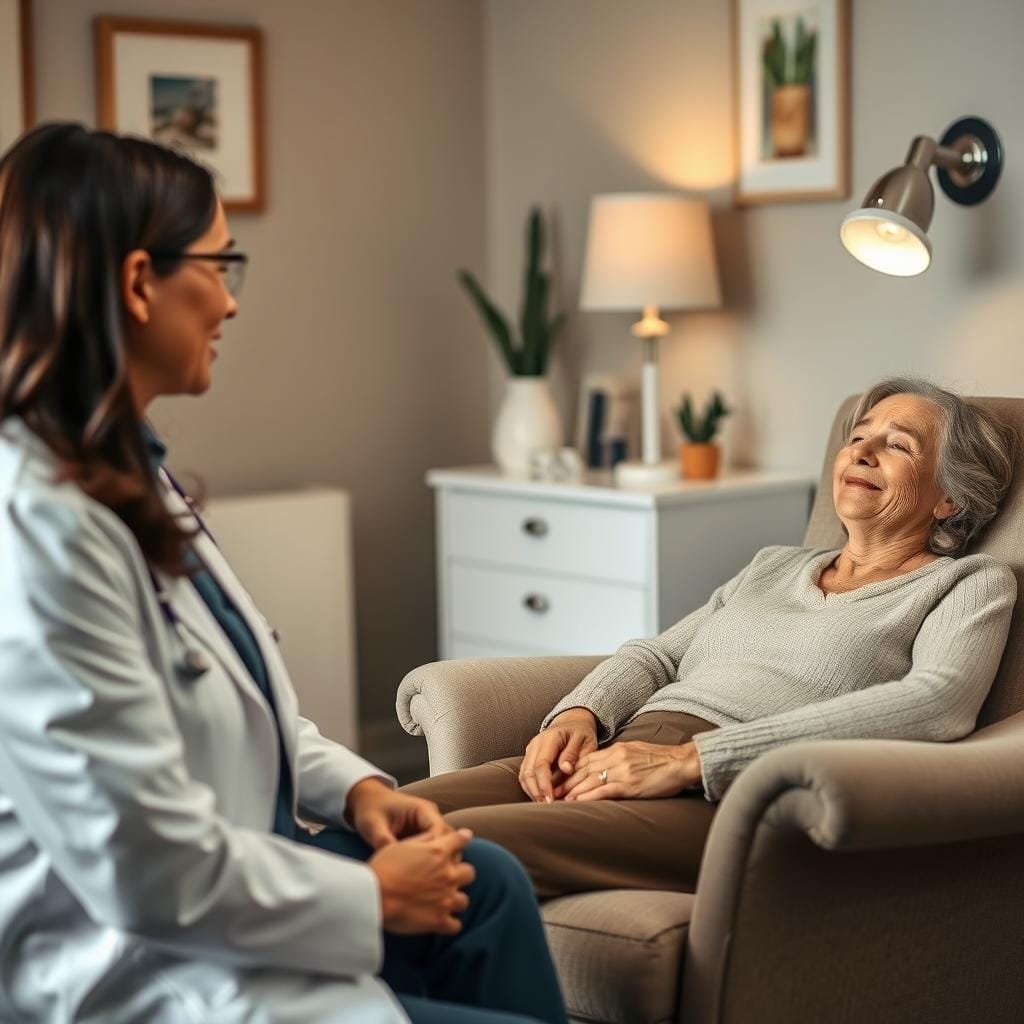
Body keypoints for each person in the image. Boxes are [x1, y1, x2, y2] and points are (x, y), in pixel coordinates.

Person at [0, 122, 567, 1024]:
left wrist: (364, 790)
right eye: (220, 266)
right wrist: (374, 898)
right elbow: (142, 866)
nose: (230, 303)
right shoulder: (38, 531)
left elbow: (240, 702)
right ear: (140, 282)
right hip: (142, 961)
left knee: (484, 879)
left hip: (229, 884)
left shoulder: (127, 470)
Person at [404, 377, 1018, 899]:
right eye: (857, 438)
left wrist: (686, 762)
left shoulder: (970, 581)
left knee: (463, 852)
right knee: (385, 819)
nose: (862, 452)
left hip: (724, 795)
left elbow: (939, 701)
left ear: (948, 497)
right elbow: (660, 655)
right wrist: (579, 715)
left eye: (897, 445)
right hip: (618, 753)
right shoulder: (774, 564)